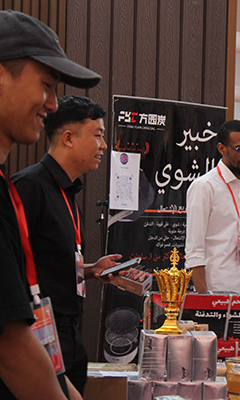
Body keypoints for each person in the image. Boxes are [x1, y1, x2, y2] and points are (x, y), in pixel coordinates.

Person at [0, 9, 100, 400]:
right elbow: (10, 344)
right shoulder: (29, 186)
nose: (53, 104)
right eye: (45, 85)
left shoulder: (9, 186)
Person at [12, 95, 122, 395]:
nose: (103, 146)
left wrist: (91, 270)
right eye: (97, 135)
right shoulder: (29, 186)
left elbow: (48, 263)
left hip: (68, 331)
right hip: (36, 333)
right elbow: (13, 268)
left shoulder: (67, 191)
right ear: (69, 138)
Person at [185, 119, 240, 370]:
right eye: (239, 149)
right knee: (225, 369)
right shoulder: (204, 187)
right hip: (218, 292)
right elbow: (194, 250)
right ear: (222, 149)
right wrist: (204, 300)